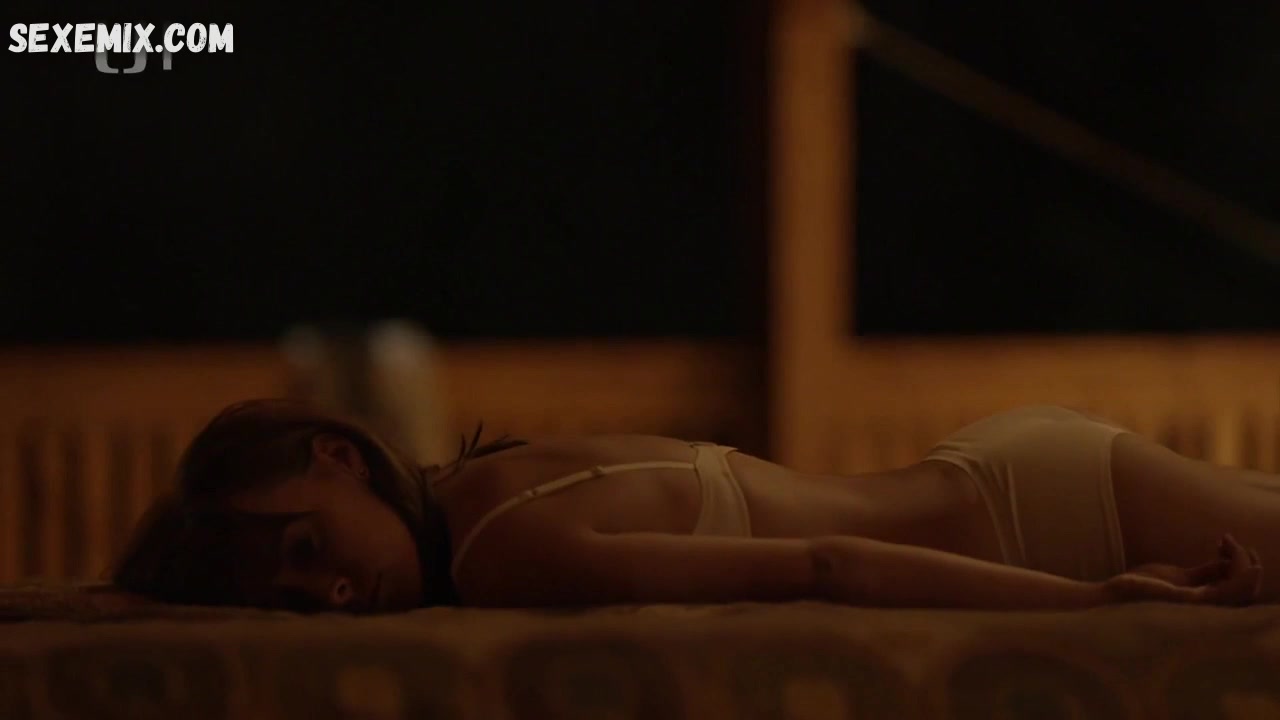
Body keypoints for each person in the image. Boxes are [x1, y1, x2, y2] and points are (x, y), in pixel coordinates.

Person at [113, 400, 1267, 613]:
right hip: (1000, 477)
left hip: (1039, 519)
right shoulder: (483, 482)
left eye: (306, 546)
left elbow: (824, 567)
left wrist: (1092, 601)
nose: (329, 591)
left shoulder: (501, 549)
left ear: (340, 458)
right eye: (293, 598)